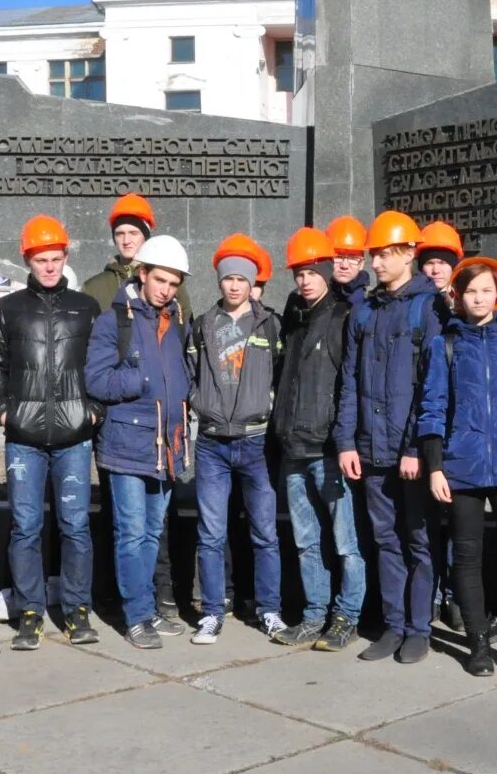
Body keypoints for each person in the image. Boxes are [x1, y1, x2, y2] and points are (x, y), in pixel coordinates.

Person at [419, 256, 497, 677]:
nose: (479, 297)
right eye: (471, 290)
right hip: (462, 464)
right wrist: (435, 466)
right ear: (457, 296)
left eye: (486, 290)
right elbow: (432, 406)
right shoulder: (445, 345)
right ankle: (477, 644)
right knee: (467, 560)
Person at [335, 210, 444, 664]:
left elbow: (432, 384)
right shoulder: (365, 310)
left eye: (384, 254)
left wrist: (416, 448)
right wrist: (345, 441)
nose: (375, 263)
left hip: (409, 453)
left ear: (408, 255)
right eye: (373, 254)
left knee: (418, 541)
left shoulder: (429, 307)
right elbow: (349, 381)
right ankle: (394, 625)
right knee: (385, 540)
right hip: (371, 448)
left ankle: (419, 629)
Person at [0, 216, 103, 651]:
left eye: (56, 258)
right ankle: (31, 612)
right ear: (28, 260)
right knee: (25, 526)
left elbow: (97, 365)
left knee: (75, 526)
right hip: (24, 436)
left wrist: (92, 412)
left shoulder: (85, 307)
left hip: (75, 436)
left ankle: (77, 610)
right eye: (42, 259)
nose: (50, 266)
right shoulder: (9, 308)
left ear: (65, 258)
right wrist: (2, 411)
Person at [85, 234, 195, 650]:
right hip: (126, 443)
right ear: (143, 273)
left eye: (174, 283)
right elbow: (95, 379)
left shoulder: (176, 320)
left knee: (151, 533)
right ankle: (135, 617)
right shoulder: (115, 320)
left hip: (166, 445)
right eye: (161, 280)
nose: (166, 290)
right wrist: (140, 380)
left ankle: (147, 610)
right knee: (131, 533)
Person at [187, 234, 286, 644]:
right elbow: (189, 374)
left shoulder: (270, 323)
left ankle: (270, 610)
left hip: (256, 443)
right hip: (212, 444)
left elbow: (282, 374)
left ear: (252, 283)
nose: (233, 285)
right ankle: (212, 611)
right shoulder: (203, 325)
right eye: (227, 278)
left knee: (265, 532)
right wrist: (199, 403)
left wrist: (267, 403)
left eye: (241, 279)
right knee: (211, 534)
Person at [272, 228, 363, 651]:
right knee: (307, 541)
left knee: (346, 543)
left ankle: (346, 616)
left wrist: (342, 440)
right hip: (294, 447)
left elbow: (349, 386)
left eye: (311, 271)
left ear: (327, 269)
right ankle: (313, 615)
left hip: (327, 449)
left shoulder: (344, 316)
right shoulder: (296, 318)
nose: (304, 279)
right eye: (298, 273)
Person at [415, 220, 464, 630]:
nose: (434, 270)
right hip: (429, 426)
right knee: (429, 520)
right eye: (428, 263)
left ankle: (454, 594)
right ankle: (433, 594)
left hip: (461, 429)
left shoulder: (465, 305)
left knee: (458, 521)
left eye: (441, 263)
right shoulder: (418, 306)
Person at [326, 215, 371, 306]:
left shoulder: (372, 301)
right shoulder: (312, 296)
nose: (344, 265)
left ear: (361, 264)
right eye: (338, 256)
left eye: (353, 258)